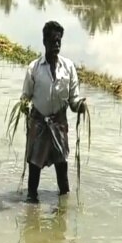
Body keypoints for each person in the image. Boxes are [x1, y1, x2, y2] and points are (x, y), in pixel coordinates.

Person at [21, 21, 86, 203]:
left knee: (62, 169)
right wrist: (24, 105)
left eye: (59, 42)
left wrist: (80, 106)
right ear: (44, 42)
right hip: (39, 124)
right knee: (34, 168)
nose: (56, 45)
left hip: (58, 124)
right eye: (52, 41)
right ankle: (31, 204)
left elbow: (73, 100)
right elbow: (25, 96)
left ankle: (63, 207)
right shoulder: (34, 68)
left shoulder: (68, 67)